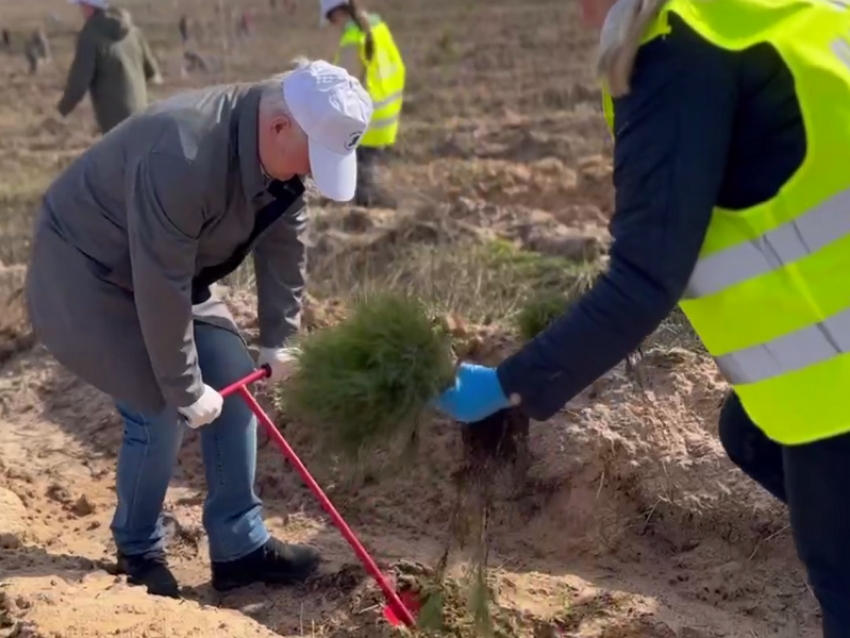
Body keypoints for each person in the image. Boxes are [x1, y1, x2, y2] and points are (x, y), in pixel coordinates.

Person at [433, 0, 850, 635]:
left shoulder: (675, 52)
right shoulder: (756, 11)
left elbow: (644, 279)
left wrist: (508, 384)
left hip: (837, 386)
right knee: (750, 433)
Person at [26, 59, 373, 599]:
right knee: (159, 404)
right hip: (87, 270)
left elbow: (285, 241)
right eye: (312, 157)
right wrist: (186, 387)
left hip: (168, 265)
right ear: (280, 127)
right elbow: (159, 285)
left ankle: (240, 547)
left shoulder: (281, 155)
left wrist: (282, 337)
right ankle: (138, 550)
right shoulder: (182, 153)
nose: (311, 174)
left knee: (236, 382)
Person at [319, 0, 404, 207]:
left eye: (332, 20)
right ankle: (372, 205)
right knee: (365, 167)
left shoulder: (352, 38)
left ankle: (365, 213)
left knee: (360, 173)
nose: (334, 27)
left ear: (338, 13)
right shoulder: (378, 28)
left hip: (366, 120)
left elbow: (344, 85)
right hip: (385, 115)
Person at [57, 0, 162, 134]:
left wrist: (61, 111)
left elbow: (79, 83)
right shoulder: (134, 32)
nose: (81, 10)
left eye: (82, 6)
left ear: (89, 7)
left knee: (121, 154)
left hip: (114, 121)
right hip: (141, 114)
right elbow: (153, 74)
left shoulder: (90, 36)